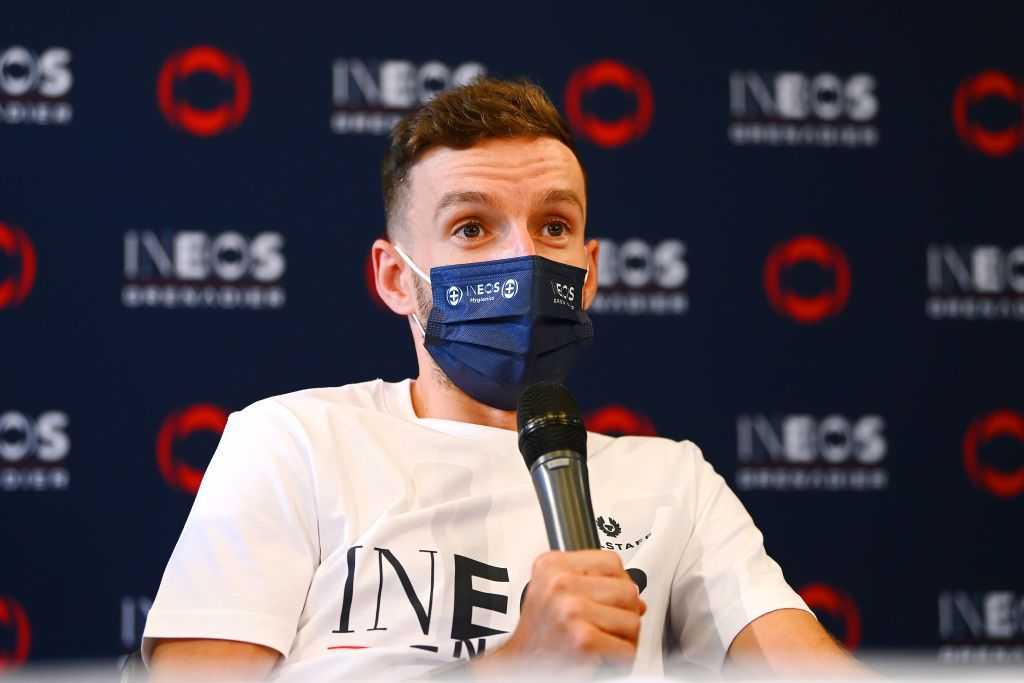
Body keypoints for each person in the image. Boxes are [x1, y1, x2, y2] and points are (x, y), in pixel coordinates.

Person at [143, 78, 865, 680]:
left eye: (553, 226)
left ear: (589, 273)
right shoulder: (293, 441)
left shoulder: (673, 479)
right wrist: (520, 663)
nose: (523, 258)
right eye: (471, 228)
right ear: (395, 278)